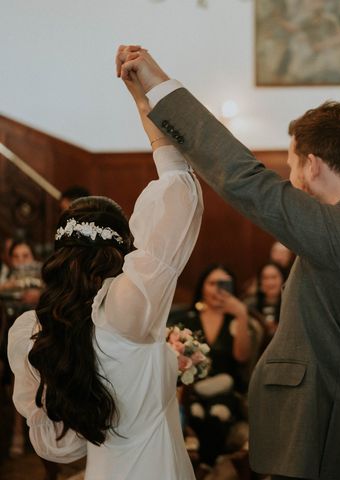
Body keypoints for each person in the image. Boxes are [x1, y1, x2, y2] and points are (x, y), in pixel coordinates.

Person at [117, 45, 340, 480]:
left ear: (312, 165)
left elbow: (248, 182)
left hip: (327, 444)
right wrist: (148, 106)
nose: (290, 179)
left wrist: (159, 84)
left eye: (291, 165)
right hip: (326, 438)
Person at [8, 74, 203, 479]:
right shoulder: (129, 305)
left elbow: (61, 447)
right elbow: (179, 192)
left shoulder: (44, 329)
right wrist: (146, 105)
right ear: (123, 247)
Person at [175, 263, 252, 473]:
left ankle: (204, 466)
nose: (218, 289)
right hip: (194, 388)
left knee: (219, 413)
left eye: (224, 284)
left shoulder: (234, 320)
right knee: (197, 413)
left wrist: (242, 315)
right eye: (212, 283)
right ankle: (204, 466)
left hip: (225, 390)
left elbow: (242, 356)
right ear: (202, 287)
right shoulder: (186, 318)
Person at [244, 261, 286, 346]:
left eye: (274, 277)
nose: (270, 282)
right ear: (260, 282)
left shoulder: (290, 304)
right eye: (265, 278)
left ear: (283, 279)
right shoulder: (250, 305)